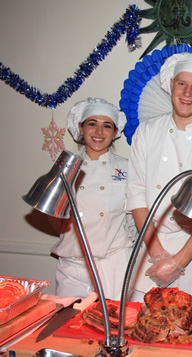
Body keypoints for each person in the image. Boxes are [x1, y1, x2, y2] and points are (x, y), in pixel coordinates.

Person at [126, 52, 192, 306]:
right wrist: (158, 253)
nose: (187, 93)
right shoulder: (146, 132)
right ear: (171, 85)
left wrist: (177, 262)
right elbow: (136, 194)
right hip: (150, 244)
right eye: (182, 84)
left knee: (188, 332)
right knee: (141, 329)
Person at [50, 97, 135, 300]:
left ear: (115, 132)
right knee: (70, 323)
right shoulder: (65, 166)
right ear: (80, 127)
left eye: (107, 126)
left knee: (115, 326)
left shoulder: (127, 167)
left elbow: (134, 216)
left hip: (114, 264)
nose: (99, 132)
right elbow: (54, 217)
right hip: (73, 266)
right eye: (92, 124)